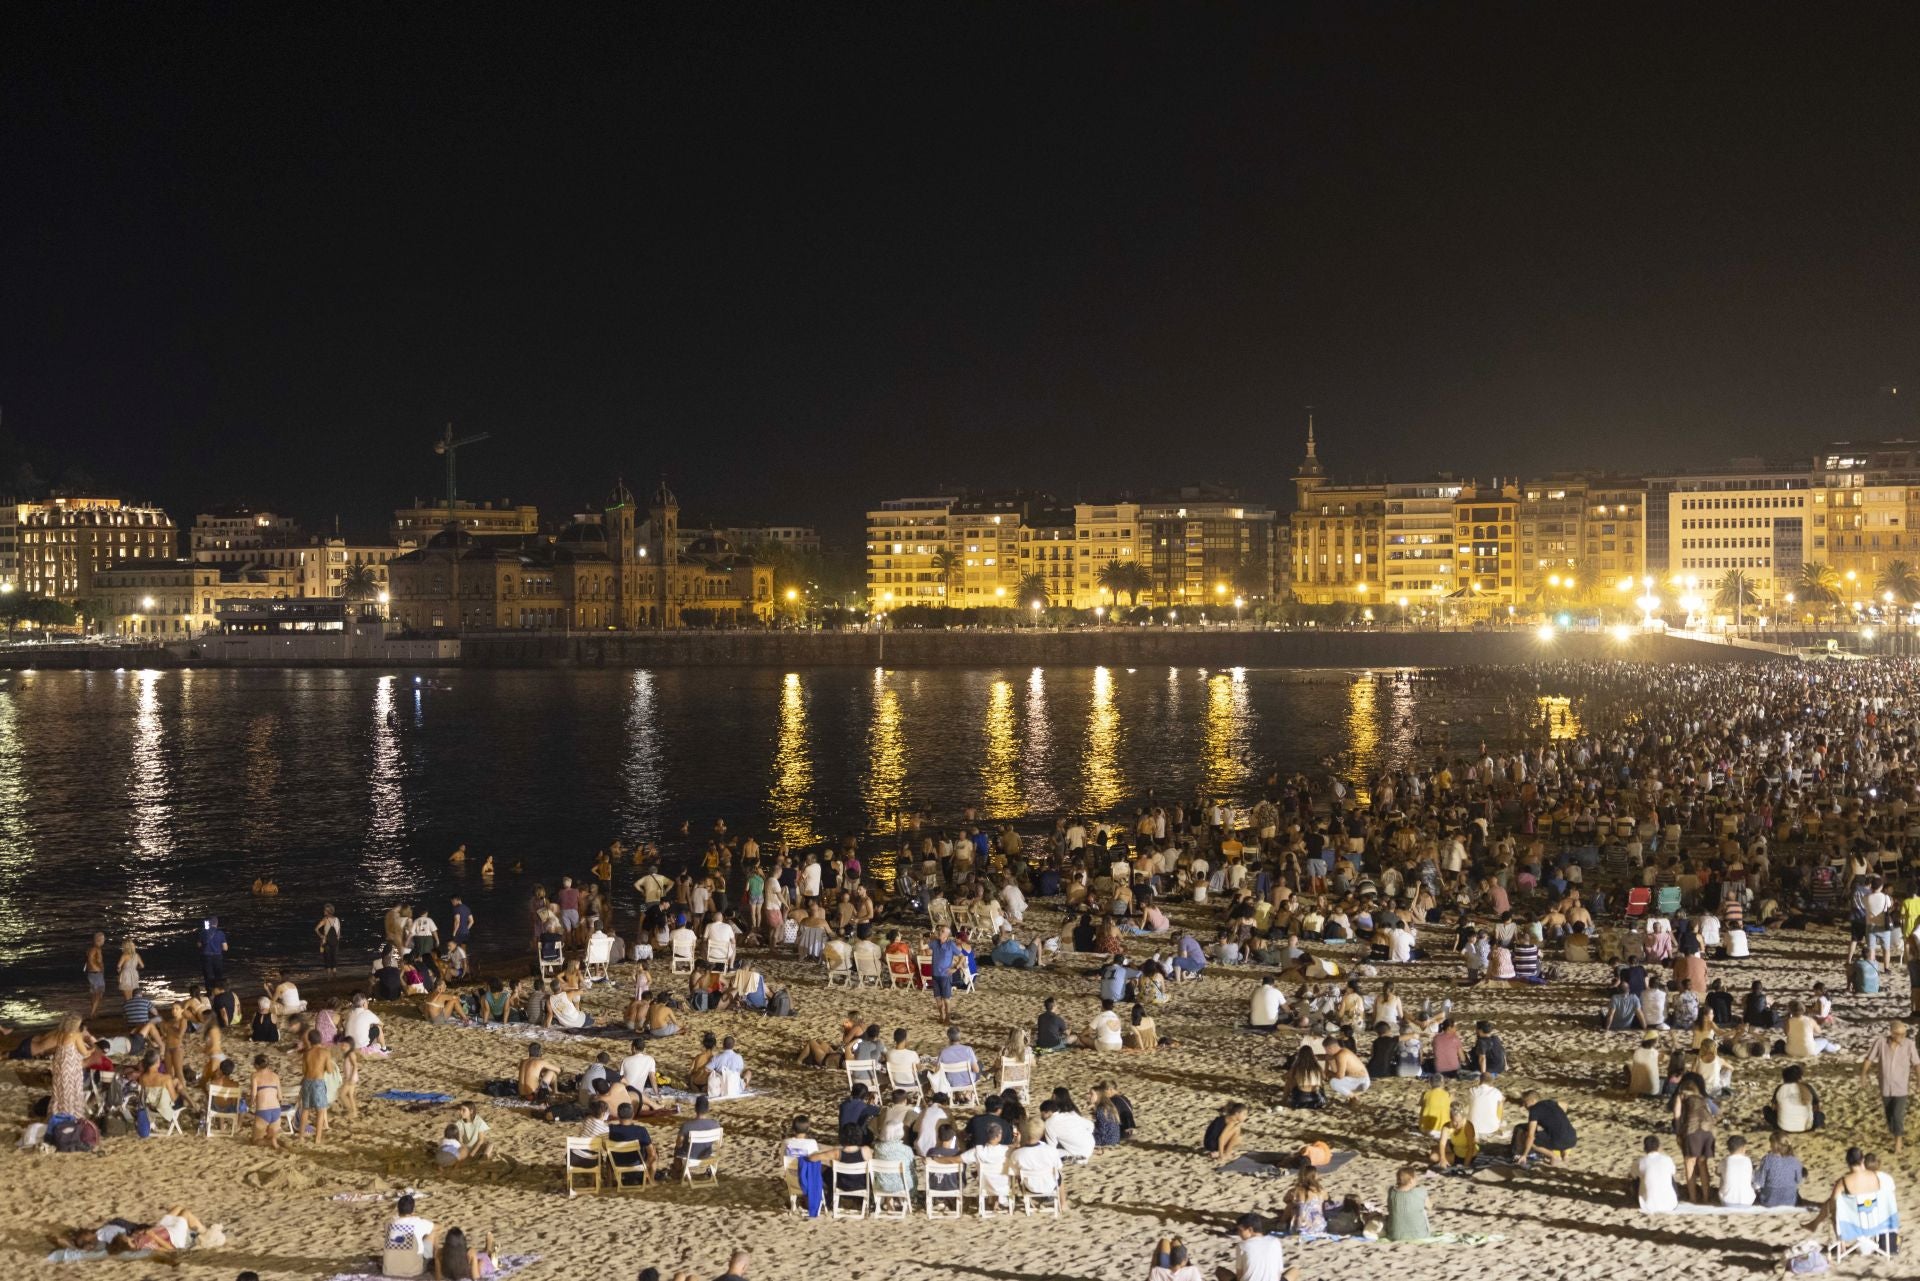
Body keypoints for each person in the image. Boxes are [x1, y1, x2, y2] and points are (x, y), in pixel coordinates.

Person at [1860, 1017, 1919, 1154]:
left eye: (1905, 1034)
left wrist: (1918, 1081)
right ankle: (1895, 1132)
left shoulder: (1909, 1044)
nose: (1903, 1037)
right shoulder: (1880, 1043)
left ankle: (1898, 1141)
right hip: (1885, 1086)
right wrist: (1863, 1074)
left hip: (1901, 1087)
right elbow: (1869, 1059)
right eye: (1900, 1034)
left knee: (1898, 1114)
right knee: (1889, 1115)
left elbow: (1916, 1064)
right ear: (1892, 1033)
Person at [1216, 1211, 1292, 1281]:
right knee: (1294, 1271)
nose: (1239, 1233)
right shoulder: (1275, 1241)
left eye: (1240, 1230)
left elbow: (1240, 1276)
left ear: (1250, 1230)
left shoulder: (1242, 1246)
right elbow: (1279, 1272)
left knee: (1220, 1271)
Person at [1513, 1090, 1577, 1165]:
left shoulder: (1534, 1110)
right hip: (1572, 1139)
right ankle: (1565, 1155)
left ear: (1533, 1100)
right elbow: (1565, 1105)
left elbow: (1531, 1136)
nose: (1524, 1105)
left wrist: (1524, 1155)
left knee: (1526, 1136)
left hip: (1559, 1141)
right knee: (1558, 1132)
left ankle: (1553, 1156)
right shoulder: (1550, 1102)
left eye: (1525, 1102)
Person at [385, 1193, 434, 1275]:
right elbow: (436, 1228)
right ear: (413, 1209)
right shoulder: (418, 1222)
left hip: (389, 1270)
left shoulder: (389, 1223)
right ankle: (430, 1258)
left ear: (398, 1209)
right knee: (430, 1233)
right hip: (413, 1271)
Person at [1753, 1133, 1804, 1207]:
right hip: (1790, 1202)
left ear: (1774, 1145)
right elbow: (1799, 1180)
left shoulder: (1767, 1159)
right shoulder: (1795, 1161)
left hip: (1769, 1201)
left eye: (1771, 1144)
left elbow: (1760, 1181)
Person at [1383, 1165, 1431, 1241]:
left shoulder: (1391, 1191)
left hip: (1394, 1236)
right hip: (1420, 1235)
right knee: (1423, 1210)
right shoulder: (1421, 1191)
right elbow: (1429, 1207)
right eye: (1416, 1178)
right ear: (1411, 1180)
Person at [1635, 1134, 1679, 1213]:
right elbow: (1673, 1173)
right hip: (1671, 1204)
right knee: (1670, 1177)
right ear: (1659, 1147)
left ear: (1645, 1148)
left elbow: (1633, 1175)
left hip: (1647, 1205)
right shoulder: (1667, 1159)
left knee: (1638, 1178)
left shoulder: (1640, 1161)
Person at [249, 1053, 283, 1149]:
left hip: (263, 1111)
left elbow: (253, 1094)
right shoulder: (275, 1076)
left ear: (256, 1065)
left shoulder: (255, 1076)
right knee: (269, 1136)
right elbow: (280, 1097)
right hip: (276, 1110)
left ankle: (270, 1143)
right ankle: (274, 1141)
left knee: (255, 1140)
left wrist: (251, 1103)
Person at [1719, 1134, 1755, 1207]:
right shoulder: (1747, 1160)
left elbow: (1717, 1172)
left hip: (1728, 1202)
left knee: (1722, 1176)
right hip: (1747, 1202)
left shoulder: (1725, 1161)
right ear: (1743, 1148)